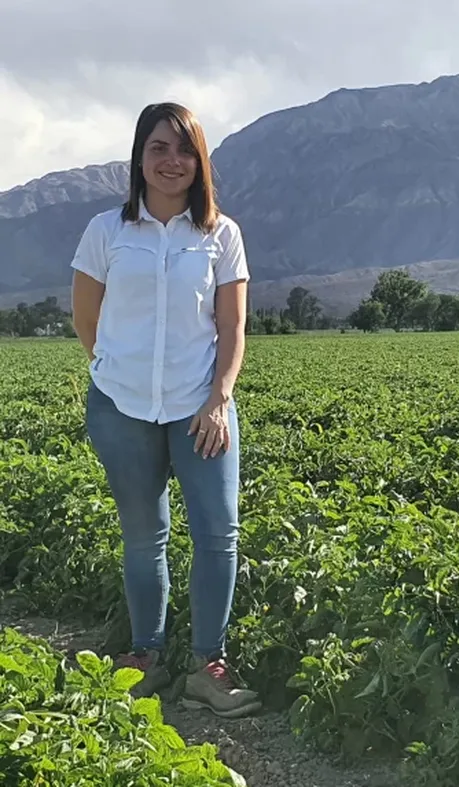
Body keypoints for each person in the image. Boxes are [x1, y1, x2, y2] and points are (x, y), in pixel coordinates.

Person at [70, 102, 261, 719]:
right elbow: (86, 319)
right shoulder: (106, 231)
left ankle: (209, 666)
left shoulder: (220, 235)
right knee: (143, 533)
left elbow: (232, 329)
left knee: (217, 533)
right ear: (140, 158)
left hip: (200, 407)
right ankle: (145, 655)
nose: (170, 161)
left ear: (199, 162)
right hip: (121, 407)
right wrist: (115, 371)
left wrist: (219, 399)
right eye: (158, 148)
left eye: (183, 150)